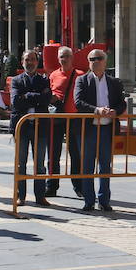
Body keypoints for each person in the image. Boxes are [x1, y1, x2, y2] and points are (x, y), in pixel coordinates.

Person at [74, 49, 127, 212]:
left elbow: (121, 103)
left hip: (107, 129)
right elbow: (78, 102)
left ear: (105, 61)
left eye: (98, 58)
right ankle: (89, 200)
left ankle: (104, 200)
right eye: (91, 59)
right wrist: (97, 110)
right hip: (89, 128)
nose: (95, 61)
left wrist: (114, 112)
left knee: (105, 165)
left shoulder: (114, 82)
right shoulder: (82, 80)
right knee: (87, 165)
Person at [10, 49, 52, 206]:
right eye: (27, 60)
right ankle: (21, 196)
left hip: (40, 127)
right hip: (21, 127)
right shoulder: (16, 80)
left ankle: (40, 196)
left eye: (33, 59)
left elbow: (47, 99)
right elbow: (15, 101)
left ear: (37, 62)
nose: (30, 62)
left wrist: (26, 96)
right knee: (21, 163)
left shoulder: (44, 80)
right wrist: (35, 96)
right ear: (22, 62)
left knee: (40, 164)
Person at [46, 46, 84, 199]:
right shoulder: (53, 75)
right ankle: (52, 186)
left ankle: (78, 186)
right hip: (56, 119)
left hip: (74, 118)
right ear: (58, 58)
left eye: (67, 56)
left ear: (72, 57)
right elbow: (48, 94)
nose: (65, 59)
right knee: (53, 154)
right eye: (62, 56)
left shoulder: (80, 75)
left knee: (76, 154)